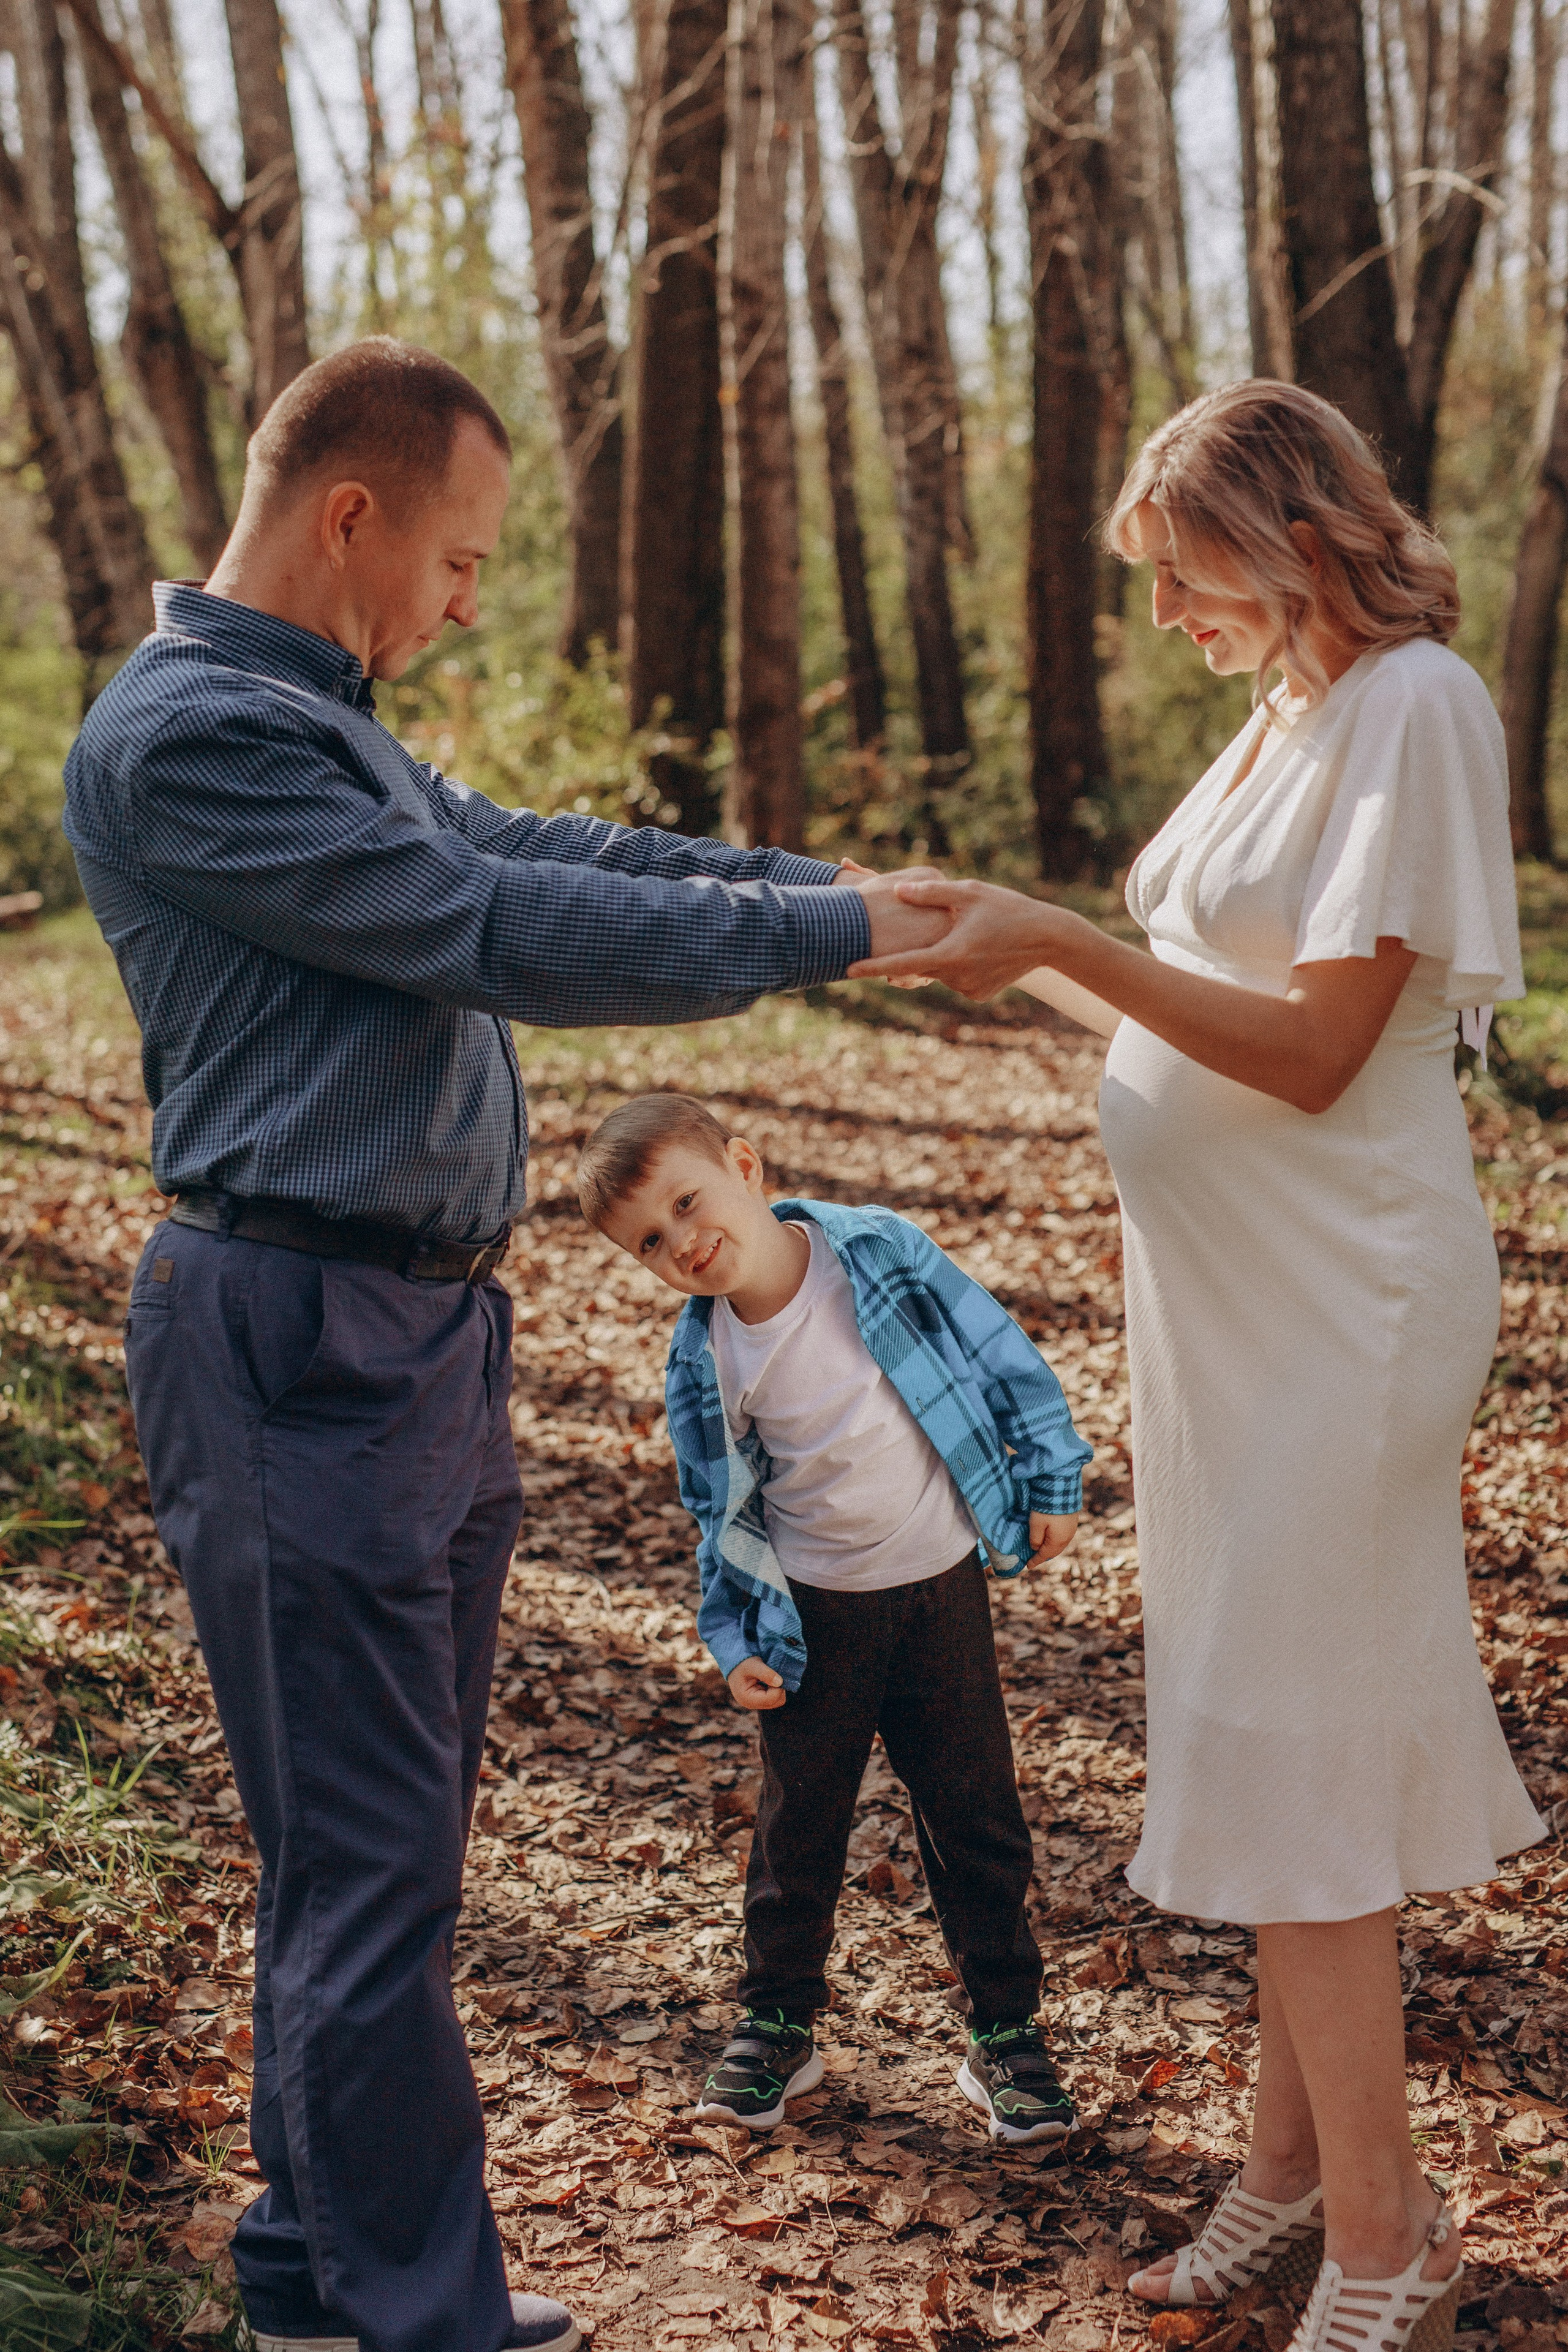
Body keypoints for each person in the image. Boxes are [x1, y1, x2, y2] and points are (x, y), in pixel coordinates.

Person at [61, 338, 947, 2352]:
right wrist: (829, 941)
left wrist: (823, 894)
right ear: (349, 515)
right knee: (370, 1857)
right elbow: (479, 926)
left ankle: (309, 2265)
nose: (471, 606)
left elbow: (554, 856)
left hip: (418, 1336)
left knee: (374, 1841)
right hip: (301, 1335)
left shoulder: (324, 717)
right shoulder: (194, 735)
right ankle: (420, 2317)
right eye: (460, 561)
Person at [848, 382, 1545, 2352]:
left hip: (1351, 1302)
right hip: (1232, 1311)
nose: (1167, 618)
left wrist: (1070, 933)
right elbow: (1187, 985)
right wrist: (996, 941)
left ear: (1291, 531)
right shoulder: (1288, 718)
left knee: (1300, 1741)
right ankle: (1292, 2172)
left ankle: (1394, 2244)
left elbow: (1319, 1049)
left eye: (1186, 573)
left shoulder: (1414, 705)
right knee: (1265, 1728)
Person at [575, 1092, 1092, 2140]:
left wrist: (1052, 1479)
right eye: (653, 1241)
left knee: (973, 1812)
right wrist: (733, 1643)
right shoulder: (705, 1358)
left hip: (939, 1585)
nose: (685, 1241)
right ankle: (777, 2026)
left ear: (747, 1164)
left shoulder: (879, 1254)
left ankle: (1005, 2034)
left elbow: (1002, 1356)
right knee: (799, 1824)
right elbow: (715, 1514)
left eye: (689, 1200)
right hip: (811, 1617)